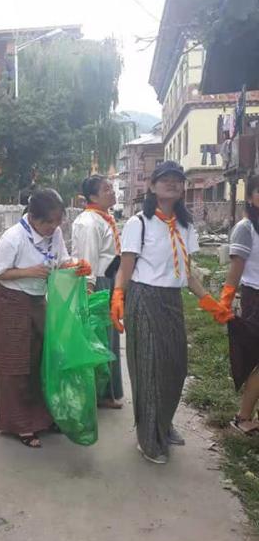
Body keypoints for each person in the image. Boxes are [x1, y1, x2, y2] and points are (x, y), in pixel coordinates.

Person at [111, 161, 230, 465]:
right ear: (152, 186)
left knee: (175, 367)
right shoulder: (139, 222)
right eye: (165, 179)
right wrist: (118, 295)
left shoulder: (186, 226)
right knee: (150, 368)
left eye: (178, 180)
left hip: (172, 299)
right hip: (144, 297)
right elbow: (126, 265)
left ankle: (163, 423)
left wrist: (210, 302)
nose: (173, 183)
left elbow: (187, 274)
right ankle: (149, 439)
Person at [0, 188, 91, 448]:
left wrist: (76, 266)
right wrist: (28, 271)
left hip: (37, 300)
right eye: (47, 222)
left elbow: (62, 260)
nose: (53, 227)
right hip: (11, 303)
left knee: (40, 359)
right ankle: (19, 424)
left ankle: (41, 419)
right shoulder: (13, 238)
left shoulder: (54, 234)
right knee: (15, 366)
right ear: (32, 217)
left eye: (57, 221)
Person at [71, 174, 124, 408]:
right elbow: (87, 257)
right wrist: (89, 289)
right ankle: (99, 393)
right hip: (98, 284)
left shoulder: (104, 218)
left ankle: (107, 391)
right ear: (92, 196)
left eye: (111, 188)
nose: (112, 192)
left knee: (109, 339)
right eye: (106, 189)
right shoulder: (88, 222)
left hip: (110, 282)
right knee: (100, 339)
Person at [220, 175, 259, 434]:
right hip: (255, 297)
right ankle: (243, 416)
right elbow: (236, 269)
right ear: (250, 197)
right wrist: (225, 301)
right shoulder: (246, 228)